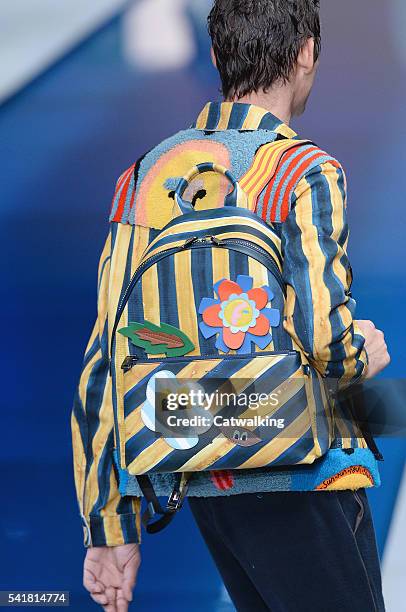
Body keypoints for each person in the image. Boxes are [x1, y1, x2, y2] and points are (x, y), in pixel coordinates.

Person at [71, 1, 391, 610]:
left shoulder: (144, 176)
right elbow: (326, 339)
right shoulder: (304, 171)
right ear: (306, 54)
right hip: (304, 472)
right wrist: (361, 359)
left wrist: (110, 528)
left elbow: (104, 362)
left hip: (201, 472)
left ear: (217, 55)